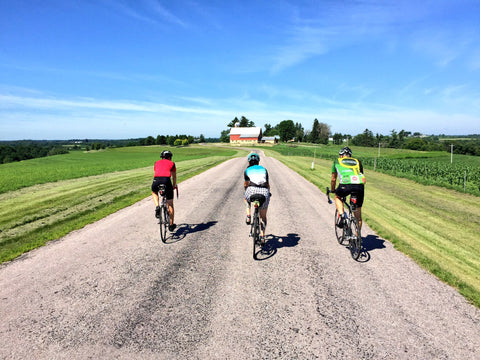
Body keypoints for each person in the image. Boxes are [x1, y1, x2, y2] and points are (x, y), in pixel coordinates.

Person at [331, 146, 366, 229]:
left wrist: (333, 190)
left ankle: (343, 217)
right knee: (358, 217)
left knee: (338, 197)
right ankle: (357, 239)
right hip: (359, 186)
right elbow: (360, 174)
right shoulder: (358, 162)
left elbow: (333, 179)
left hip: (345, 185)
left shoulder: (337, 161)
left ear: (341, 155)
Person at [244, 153, 270, 241]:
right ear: (258, 161)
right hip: (264, 191)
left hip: (251, 190)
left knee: (245, 198)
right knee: (263, 217)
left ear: (249, 162)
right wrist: (268, 193)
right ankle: (262, 236)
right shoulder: (264, 169)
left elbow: (245, 184)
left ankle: (248, 215)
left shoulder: (247, 170)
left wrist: (246, 191)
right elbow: (267, 184)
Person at [151, 150, 177, 231]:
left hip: (156, 180)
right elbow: (174, 177)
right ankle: (171, 225)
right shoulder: (172, 163)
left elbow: (157, 172)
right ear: (169, 157)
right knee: (170, 204)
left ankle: (157, 206)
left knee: (154, 192)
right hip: (166, 181)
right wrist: (173, 185)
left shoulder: (156, 162)